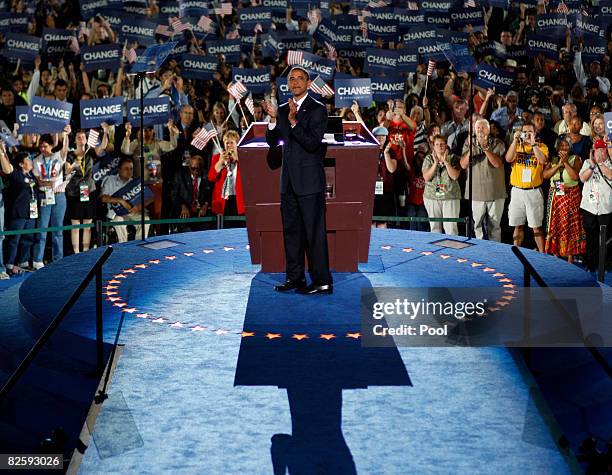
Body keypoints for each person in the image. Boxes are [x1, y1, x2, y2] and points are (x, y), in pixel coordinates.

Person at [263, 66, 332, 295]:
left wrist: (293, 122)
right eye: (291, 79)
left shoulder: (318, 110)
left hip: (310, 183)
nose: (295, 82)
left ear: (308, 82)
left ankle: (322, 281)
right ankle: (295, 278)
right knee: (292, 234)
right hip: (289, 184)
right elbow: (273, 141)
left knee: (314, 234)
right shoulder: (282, 110)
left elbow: (312, 143)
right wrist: (273, 120)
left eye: (300, 78)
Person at [460, 118, 507, 241]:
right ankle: (480, 251)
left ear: (489, 129)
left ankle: (496, 250)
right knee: (477, 226)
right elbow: (463, 165)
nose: (480, 130)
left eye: (483, 127)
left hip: (495, 192)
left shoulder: (498, 143)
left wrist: (485, 148)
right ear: (474, 130)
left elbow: (497, 163)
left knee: (495, 226)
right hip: (476, 193)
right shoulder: (468, 143)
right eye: (478, 128)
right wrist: (471, 149)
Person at [505, 122, 549, 252]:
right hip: (517, 191)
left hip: (533, 192)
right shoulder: (517, 146)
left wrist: (533, 143)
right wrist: (514, 141)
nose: (528, 134)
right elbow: (508, 159)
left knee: (536, 226)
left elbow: (543, 161)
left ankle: (542, 255)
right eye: (525, 132)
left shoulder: (542, 146)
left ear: (535, 133)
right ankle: (515, 252)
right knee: (518, 225)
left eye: (531, 132)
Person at [65, 125, 109, 254]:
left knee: (88, 224)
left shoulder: (90, 152)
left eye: (83, 137)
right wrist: (74, 165)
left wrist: (105, 132)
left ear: (86, 139)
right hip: (74, 192)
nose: (81, 139)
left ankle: (85, 252)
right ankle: (76, 253)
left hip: (89, 191)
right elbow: (66, 169)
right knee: (76, 225)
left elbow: (103, 148)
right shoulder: (70, 155)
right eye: (78, 137)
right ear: (75, 141)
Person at [32, 127, 70, 269]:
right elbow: (38, 180)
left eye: (45, 146)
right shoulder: (36, 160)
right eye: (41, 146)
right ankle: (37, 260)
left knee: (57, 230)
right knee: (42, 228)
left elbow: (65, 148)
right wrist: (48, 183)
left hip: (59, 197)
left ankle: (57, 259)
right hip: (44, 196)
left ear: (51, 146)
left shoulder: (58, 156)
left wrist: (66, 135)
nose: (43, 148)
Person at [543, 137, 585, 263]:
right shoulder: (553, 160)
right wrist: (559, 165)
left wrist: (566, 163)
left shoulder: (575, 159)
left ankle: (570, 256)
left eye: (566, 145)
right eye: (561, 146)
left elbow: (576, 177)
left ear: (570, 147)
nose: (564, 148)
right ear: (557, 148)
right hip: (556, 196)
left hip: (571, 195)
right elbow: (545, 175)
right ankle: (556, 254)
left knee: (570, 226)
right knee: (555, 225)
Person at [0, 147, 37, 276]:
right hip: (19, 212)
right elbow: (7, 168)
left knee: (28, 238)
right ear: (21, 164)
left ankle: (23, 263)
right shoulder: (17, 174)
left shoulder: (32, 175)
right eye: (28, 160)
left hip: (31, 212)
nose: (31, 162)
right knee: (14, 239)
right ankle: (9, 264)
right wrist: (1, 153)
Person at [579, 139, 612, 273]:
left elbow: (610, 175)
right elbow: (582, 178)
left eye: (602, 149)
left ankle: (605, 264)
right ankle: (591, 264)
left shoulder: (609, 164)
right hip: (590, 207)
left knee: (606, 238)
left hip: (605, 208)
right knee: (591, 237)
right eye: (597, 149)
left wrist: (600, 164)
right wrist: (593, 165)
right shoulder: (587, 163)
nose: (600, 151)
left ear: (606, 151)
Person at [100, 157, 150, 243]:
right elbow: (103, 198)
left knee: (145, 219)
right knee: (118, 220)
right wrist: (121, 201)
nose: (129, 171)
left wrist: (138, 207)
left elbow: (149, 198)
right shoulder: (109, 180)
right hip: (116, 214)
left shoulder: (134, 183)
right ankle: (124, 247)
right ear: (119, 170)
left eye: (131, 169)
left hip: (132, 213)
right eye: (126, 169)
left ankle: (138, 246)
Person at [422, 135, 462, 235]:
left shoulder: (454, 158)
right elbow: (426, 177)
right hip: (432, 197)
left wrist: (446, 162)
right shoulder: (428, 159)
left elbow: (455, 176)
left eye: (442, 144)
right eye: (437, 144)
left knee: (451, 228)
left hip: (450, 196)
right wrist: (435, 163)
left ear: (446, 146)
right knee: (435, 228)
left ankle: (452, 249)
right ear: (433, 146)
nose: (440, 146)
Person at [208, 130, 245, 226]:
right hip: (223, 201)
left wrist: (238, 159)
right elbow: (211, 178)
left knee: (240, 230)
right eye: (226, 143)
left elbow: (250, 177)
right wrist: (220, 162)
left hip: (239, 200)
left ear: (237, 144)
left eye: (232, 143)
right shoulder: (217, 158)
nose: (229, 145)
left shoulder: (244, 157)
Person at [172, 155, 211, 231]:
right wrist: (183, 206)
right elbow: (174, 195)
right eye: (193, 169)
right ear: (189, 167)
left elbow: (210, 194)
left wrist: (205, 205)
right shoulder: (180, 176)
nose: (196, 171)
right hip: (186, 213)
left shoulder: (207, 176)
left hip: (201, 213)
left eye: (198, 169)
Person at [371, 126, 398, 228]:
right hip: (372, 192)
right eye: (378, 137)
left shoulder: (390, 151)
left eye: (383, 136)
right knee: (371, 223)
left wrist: (386, 153)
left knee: (382, 224)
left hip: (386, 191)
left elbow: (392, 169)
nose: (381, 139)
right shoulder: (370, 151)